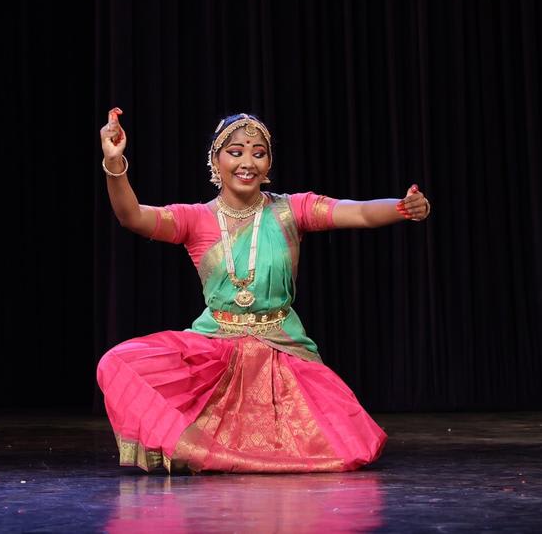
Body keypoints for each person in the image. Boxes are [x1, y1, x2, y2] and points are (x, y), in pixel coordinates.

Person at [97, 109, 431, 473]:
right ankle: (210, 452)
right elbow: (132, 216)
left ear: (268, 163)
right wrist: (115, 163)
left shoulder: (291, 210)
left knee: (350, 447)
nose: (248, 163)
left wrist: (401, 207)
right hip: (215, 350)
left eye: (258, 153)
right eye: (236, 152)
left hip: (282, 346)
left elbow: (359, 213)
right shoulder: (195, 219)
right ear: (215, 160)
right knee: (117, 363)